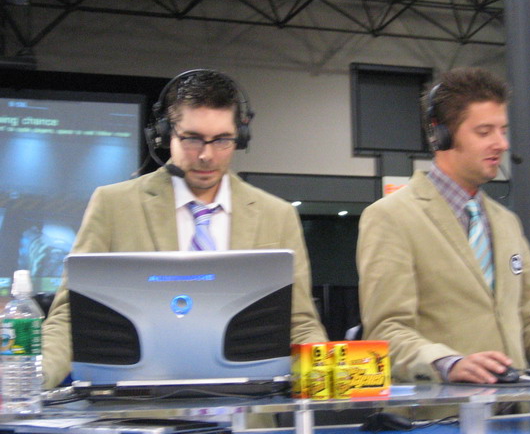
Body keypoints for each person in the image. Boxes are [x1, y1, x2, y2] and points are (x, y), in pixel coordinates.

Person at [42, 69, 327, 390]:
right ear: (165, 135)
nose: (206, 155)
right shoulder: (113, 206)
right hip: (136, 407)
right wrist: (33, 380)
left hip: (247, 407)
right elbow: (70, 317)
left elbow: (300, 323)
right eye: (192, 139)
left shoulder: (277, 215)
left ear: (240, 137)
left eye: (222, 140)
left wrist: (327, 377)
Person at [357, 67, 530, 389]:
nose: (501, 143)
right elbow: (386, 331)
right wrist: (449, 363)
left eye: (503, 131)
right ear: (441, 135)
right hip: (443, 410)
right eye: (484, 132)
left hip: (516, 409)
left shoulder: (507, 222)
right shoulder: (391, 217)